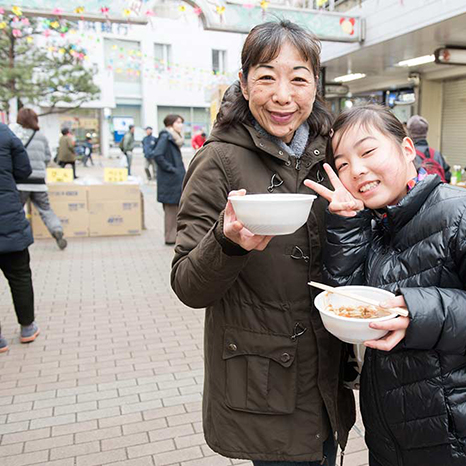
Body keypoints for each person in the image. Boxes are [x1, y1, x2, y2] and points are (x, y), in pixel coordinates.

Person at [171, 21, 355, 465]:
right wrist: (228, 242)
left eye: (298, 78)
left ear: (315, 84)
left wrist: (358, 221)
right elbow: (187, 285)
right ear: (243, 82)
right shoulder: (217, 159)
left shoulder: (331, 154)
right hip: (263, 378)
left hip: (325, 373)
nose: (283, 95)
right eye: (267, 76)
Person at [306, 104, 466, 466]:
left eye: (367, 151)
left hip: (451, 437)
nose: (356, 169)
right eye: (343, 163)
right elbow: (345, 297)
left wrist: (420, 312)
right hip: (388, 433)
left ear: (407, 149)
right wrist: (347, 224)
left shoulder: (458, 212)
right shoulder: (375, 224)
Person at [0, 123, 40, 353]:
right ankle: (27, 327)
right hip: (8, 217)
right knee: (20, 276)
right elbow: (24, 169)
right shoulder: (5, 133)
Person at [11, 108, 67, 250]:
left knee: (16, 211)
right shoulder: (41, 136)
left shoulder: (16, 135)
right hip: (39, 182)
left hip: (20, 182)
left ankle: (19, 239)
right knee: (46, 209)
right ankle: (56, 230)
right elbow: (48, 157)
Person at [152, 115, 186, 245]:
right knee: (171, 210)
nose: (181, 125)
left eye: (181, 122)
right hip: (170, 181)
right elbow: (157, 155)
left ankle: (174, 236)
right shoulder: (165, 136)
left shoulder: (172, 137)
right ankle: (170, 237)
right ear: (170, 124)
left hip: (174, 180)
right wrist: (172, 169)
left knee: (176, 209)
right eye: (178, 122)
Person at [407, 114, 451, 182]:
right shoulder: (437, 154)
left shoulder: (409, 155)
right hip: (438, 192)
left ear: (409, 133)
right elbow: (447, 176)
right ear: (426, 133)